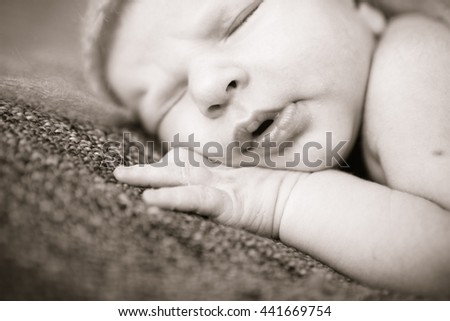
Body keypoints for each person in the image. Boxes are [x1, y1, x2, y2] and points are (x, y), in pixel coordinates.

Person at [83, 0, 450, 297]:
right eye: (169, 99)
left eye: (238, 22)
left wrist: (281, 199)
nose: (207, 86)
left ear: (359, 5)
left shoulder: (415, 59)